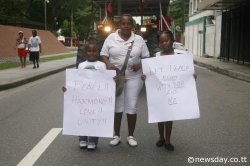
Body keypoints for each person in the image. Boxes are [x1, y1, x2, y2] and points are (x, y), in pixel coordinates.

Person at [142, 31, 197, 151]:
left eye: (166, 40)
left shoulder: (179, 57)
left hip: (173, 93)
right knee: (160, 116)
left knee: (169, 117)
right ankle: (161, 137)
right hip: (160, 92)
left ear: (172, 40)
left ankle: (168, 140)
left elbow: (186, 74)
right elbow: (150, 74)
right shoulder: (156, 56)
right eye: (161, 41)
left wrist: (192, 77)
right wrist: (145, 77)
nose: (164, 43)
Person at [101, 14, 150, 147]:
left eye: (129, 23)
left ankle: (131, 136)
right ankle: (116, 135)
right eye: (123, 23)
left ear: (132, 26)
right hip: (117, 78)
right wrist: (109, 64)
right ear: (119, 25)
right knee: (118, 106)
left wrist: (139, 65)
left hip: (135, 78)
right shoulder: (111, 38)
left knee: (131, 106)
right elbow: (103, 55)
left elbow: (146, 57)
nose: (126, 25)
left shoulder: (139, 39)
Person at [62, 38, 107, 151]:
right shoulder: (81, 65)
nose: (91, 53)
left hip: (96, 98)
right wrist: (67, 87)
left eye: (94, 51)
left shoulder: (102, 65)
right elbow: (77, 81)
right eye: (89, 51)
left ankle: (92, 140)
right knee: (82, 117)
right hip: (83, 98)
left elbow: (105, 81)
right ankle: (82, 138)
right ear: (85, 53)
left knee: (94, 118)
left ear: (98, 52)